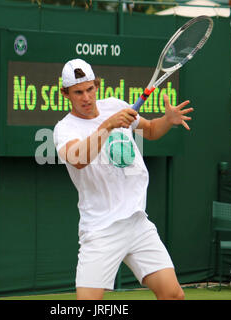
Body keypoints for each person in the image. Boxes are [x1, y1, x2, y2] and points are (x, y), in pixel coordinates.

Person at [53, 58, 193, 300]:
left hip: (137, 222)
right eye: (78, 92)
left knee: (173, 295)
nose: (85, 97)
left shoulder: (115, 105)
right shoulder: (64, 129)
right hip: (100, 228)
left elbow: (149, 130)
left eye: (89, 89)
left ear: (96, 86)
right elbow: (78, 158)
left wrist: (167, 121)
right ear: (66, 93)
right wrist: (107, 126)